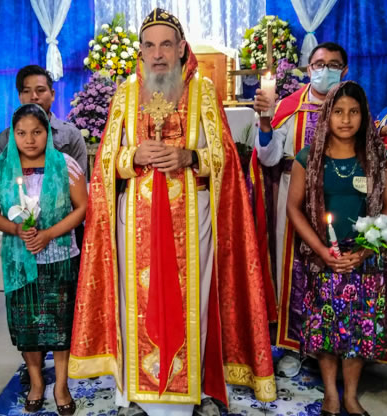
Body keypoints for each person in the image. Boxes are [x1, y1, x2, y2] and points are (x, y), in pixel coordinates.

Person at [69, 8, 274, 415]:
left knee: (192, 300)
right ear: (141, 51)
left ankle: (194, 391)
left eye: (166, 45)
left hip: (193, 217)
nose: (158, 53)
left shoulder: (202, 92)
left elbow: (224, 159)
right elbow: (106, 159)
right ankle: (133, 395)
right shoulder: (126, 93)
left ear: (181, 48)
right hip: (135, 221)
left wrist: (189, 156)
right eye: (150, 45)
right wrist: (132, 155)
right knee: (136, 301)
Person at [285, 81, 387, 416]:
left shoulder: (378, 158)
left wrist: (366, 249)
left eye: (353, 112)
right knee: (325, 330)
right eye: (338, 111)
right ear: (327, 115)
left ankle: (351, 395)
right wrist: (321, 250)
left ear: (364, 115)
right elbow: (294, 208)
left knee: (358, 330)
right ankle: (331, 393)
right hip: (323, 259)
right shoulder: (308, 157)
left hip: (364, 260)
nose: (345, 119)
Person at [0, 104, 87, 415]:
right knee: (27, 324)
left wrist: (49, 234)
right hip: (20, 260)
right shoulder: (2, 168)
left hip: (59, 258)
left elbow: (83, 207)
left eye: (37, 132)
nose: (29, 140)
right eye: (21, 133)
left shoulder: (65, 165)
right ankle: (36, 381)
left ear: (48, 133)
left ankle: (61, 385)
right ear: (13, 135)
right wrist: (16, 228)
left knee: (60, 324)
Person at [253, 41, 349, 376]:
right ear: (309, 69)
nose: (325, 70)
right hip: (292, 199)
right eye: (319, 64)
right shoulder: (289, 107)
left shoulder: (353, 108)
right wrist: (265, 123)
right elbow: (268, 158)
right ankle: (295, 344)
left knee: (334, 269)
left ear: (344, 70)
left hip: (341, 200)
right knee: (293, 272)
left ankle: (334, 345)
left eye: (333, 64)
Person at [0, 65, 88, 175]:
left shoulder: (71, 135)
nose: (34, 96)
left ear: (52, 95)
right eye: (27, 91)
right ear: (20, 96)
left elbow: (79, 178)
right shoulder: (6, 138)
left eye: (40, 90)